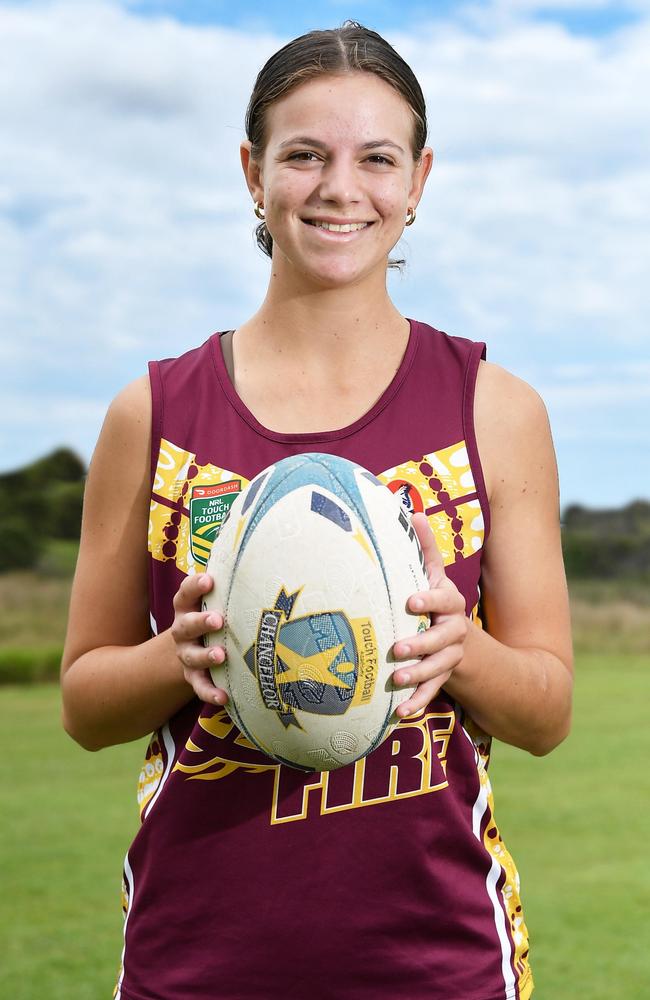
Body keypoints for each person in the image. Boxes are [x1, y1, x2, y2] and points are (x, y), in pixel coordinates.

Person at [61, 21, 573, 1000]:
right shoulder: (153, 411)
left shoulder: (493, 409)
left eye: (376, 158)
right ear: (252, 172)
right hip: (194, 962)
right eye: (303, 154)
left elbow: (546, 711)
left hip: (439, 962)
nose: (341, 188)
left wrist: (455, 647)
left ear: (417, 180)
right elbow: (84, 701)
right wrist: (187, 651)